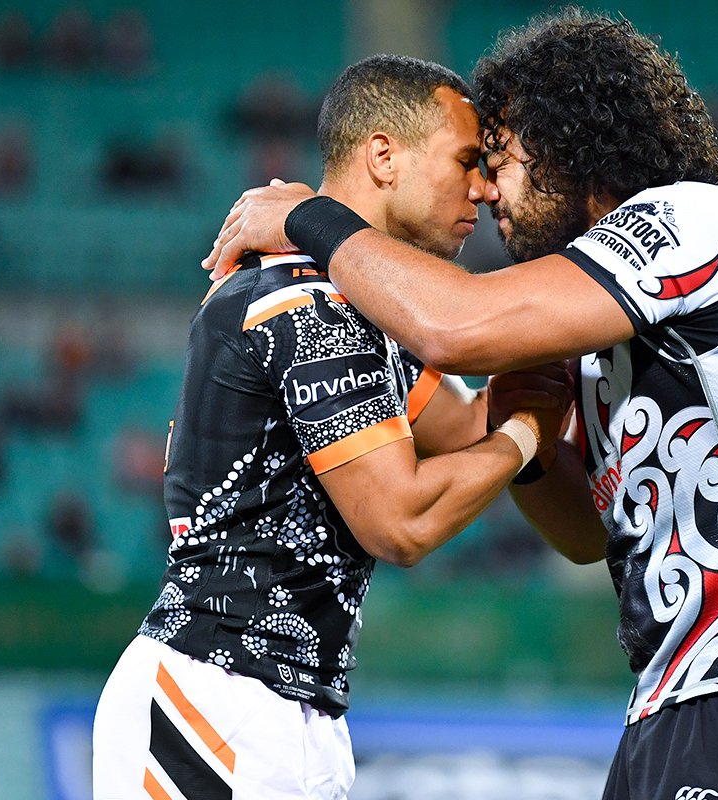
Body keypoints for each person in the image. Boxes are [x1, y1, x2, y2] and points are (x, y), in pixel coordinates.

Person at [202, 10, 718, 800]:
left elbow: (451, 327)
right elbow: (591, 534)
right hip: (679, 697)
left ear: (570, 145)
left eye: (501, 157)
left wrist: (308, 219)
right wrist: (526, 439)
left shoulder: (694, 219)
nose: (487, 188)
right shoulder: (609, 320)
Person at [93, 55, 569, 800]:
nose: (480, 186)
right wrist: (529, 436)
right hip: (218, 701)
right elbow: (401, 519)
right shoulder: (308, 306)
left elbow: (470, 423)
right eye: (466, 160)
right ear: (384, 155)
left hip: (280, 708)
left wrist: (558, 344)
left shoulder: (355, 312)